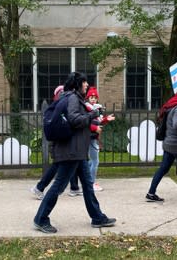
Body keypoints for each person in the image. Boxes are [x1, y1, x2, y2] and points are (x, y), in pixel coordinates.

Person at [33, 72, 116, 233]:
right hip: (70, 151)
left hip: (77, 151)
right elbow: (74, 119)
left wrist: (93, 116)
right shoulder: (72, 98)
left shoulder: (74, 98)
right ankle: (41, 219)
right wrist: (93, 114)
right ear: (77, 84)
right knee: (58, 186)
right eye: (84, 82)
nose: (87, 85)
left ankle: (97, 217)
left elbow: (79, 121)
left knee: (87, 185)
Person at [30, 85, 81, 199]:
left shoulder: (59, 106)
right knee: (58, 165)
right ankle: (40, 187)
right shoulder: (59, 107)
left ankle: (74, 187)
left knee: (70, 162)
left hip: (62, 142)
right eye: (61, 93)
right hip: (59, 143)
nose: (64, 94)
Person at [84, 86, 115, 192]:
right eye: (91, 97)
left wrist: (106, 119)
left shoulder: (97, 109)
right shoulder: (87, 108)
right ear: (88, 98)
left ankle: (86, 178)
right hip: (90, 137)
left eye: (94, 97)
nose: (93, 99)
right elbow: (86, 123)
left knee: (91, 161)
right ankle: (91, 183)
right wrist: (95, 128)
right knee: (95, 161)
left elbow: (99, 121)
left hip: (94, 138)